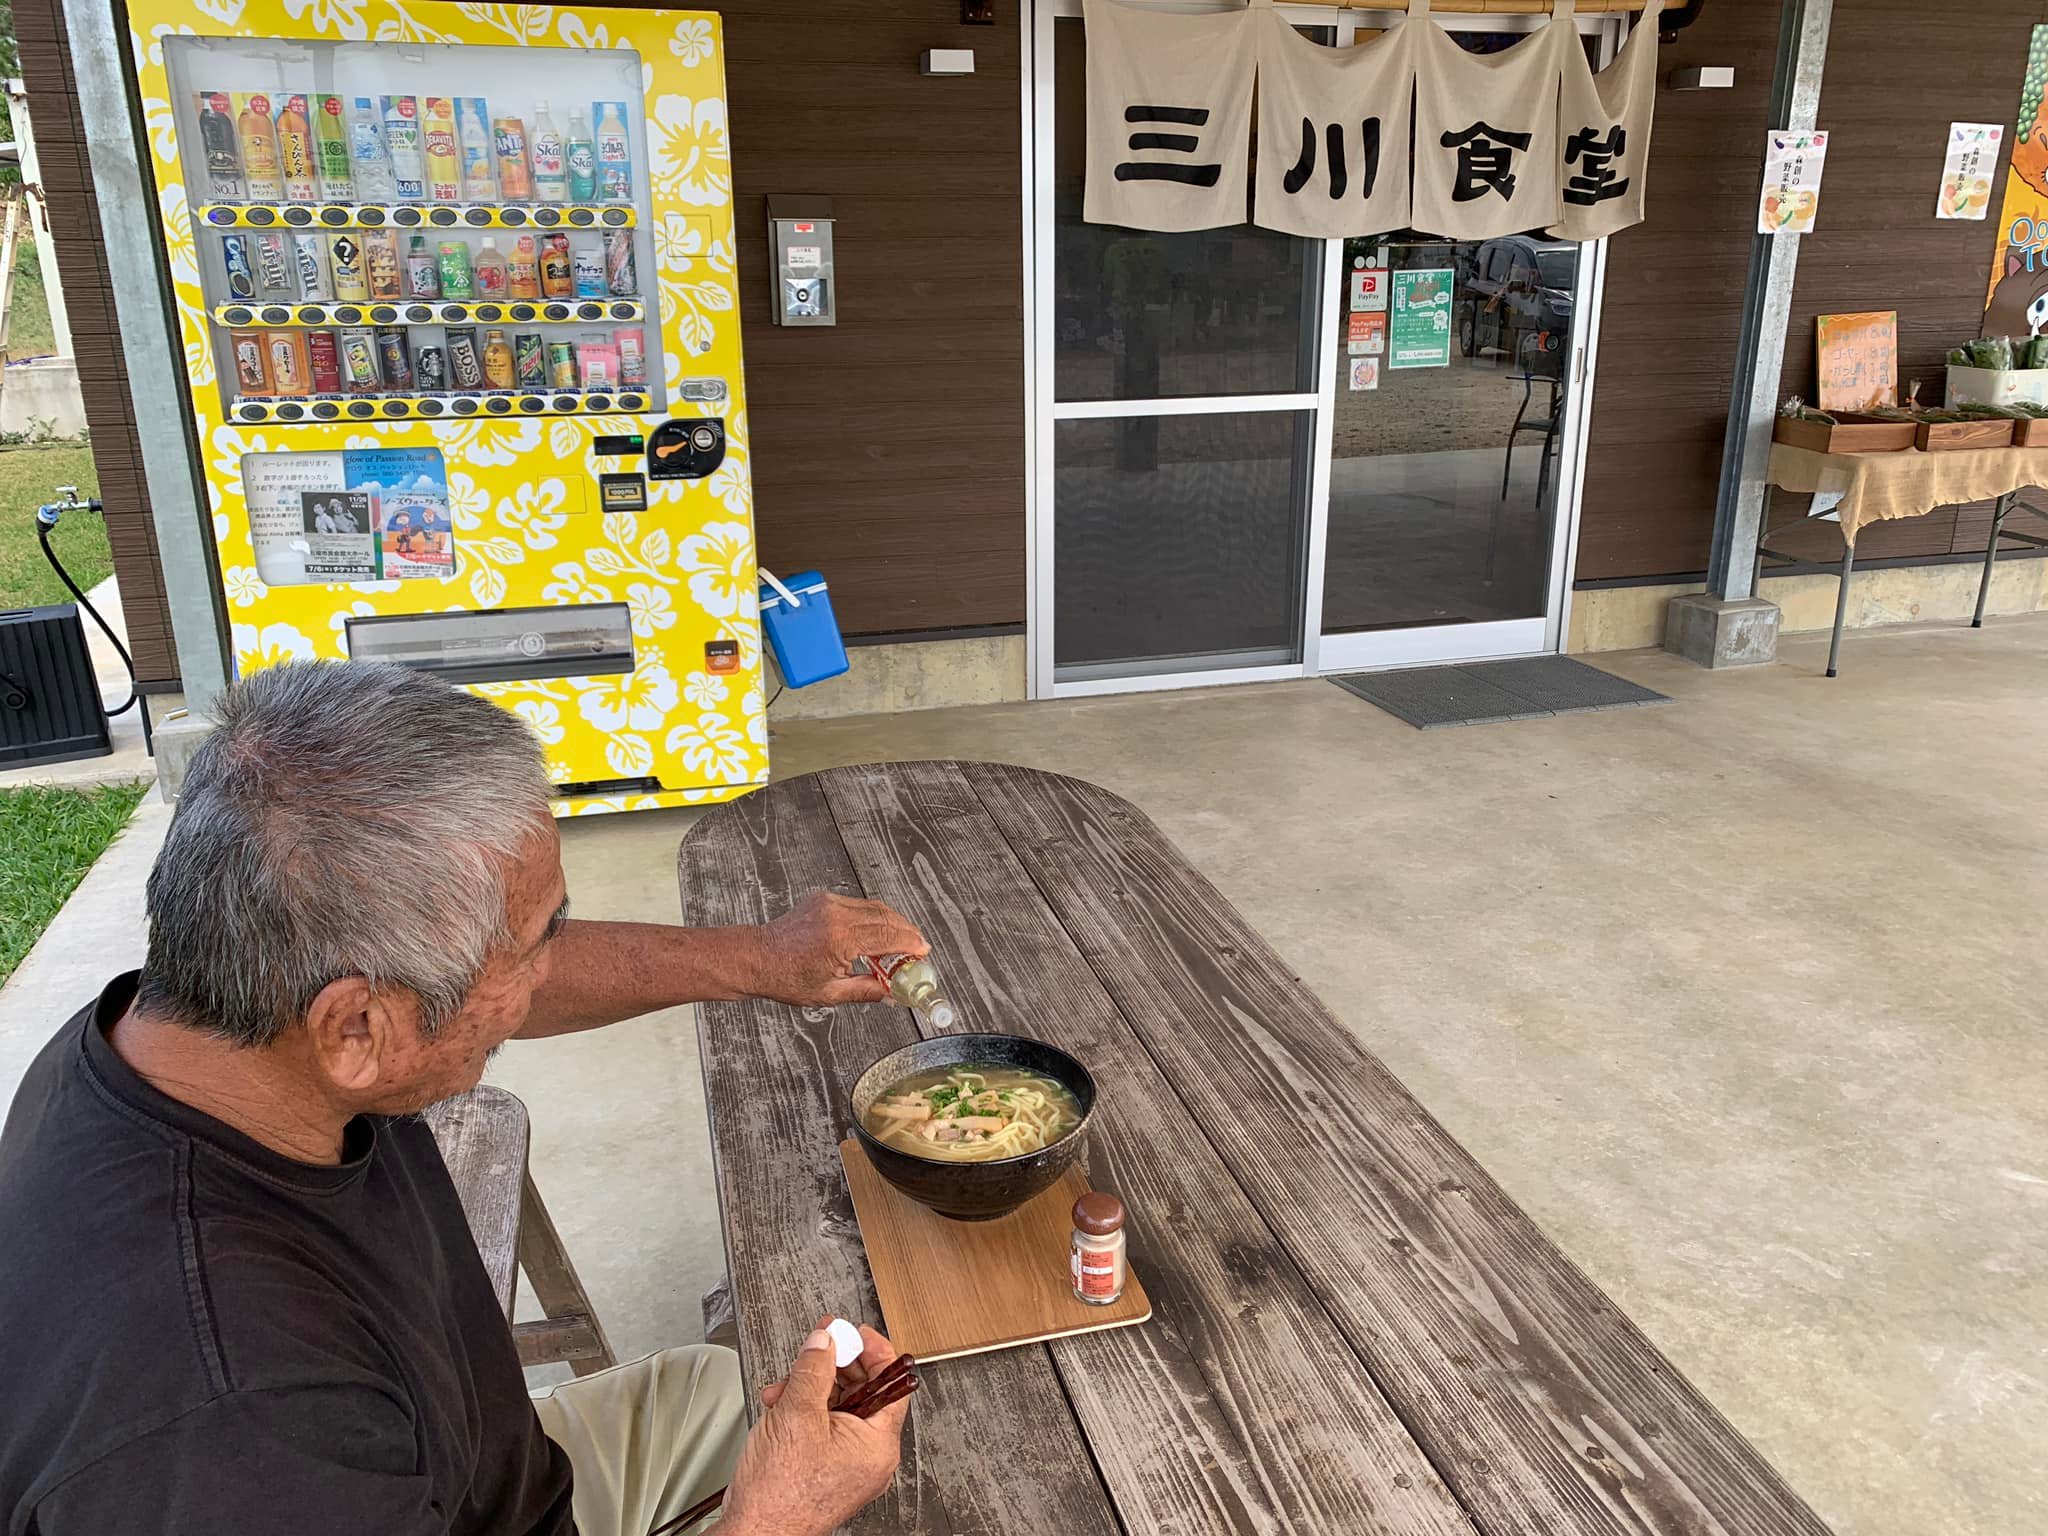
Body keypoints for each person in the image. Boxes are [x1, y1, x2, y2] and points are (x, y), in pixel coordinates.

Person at [0, 660, 927, 1536]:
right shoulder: (237, 1429)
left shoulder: (199, 1012)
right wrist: (776, 1515)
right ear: (357, 1029)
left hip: (483, 1468)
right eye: (531, 944)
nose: (544, 968)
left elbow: (468, 982)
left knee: (722, 1385)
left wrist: (758, 958)